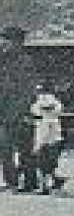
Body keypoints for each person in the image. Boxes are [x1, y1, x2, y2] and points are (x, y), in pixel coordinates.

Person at [0, 27, 38, 191]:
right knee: (5, 148)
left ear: (17, 43)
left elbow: (27, 90)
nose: (3, 43)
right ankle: (12, 181)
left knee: (25, 149)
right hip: (4, 111)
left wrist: (22, 111)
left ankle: (29, 182)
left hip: (20, 112)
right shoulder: (3, 60)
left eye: (7, 40)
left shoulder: (25, 62)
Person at [27, 81, 67, 195]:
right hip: (55, 139)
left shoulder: (41, 105)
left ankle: (45, 186)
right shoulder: (54, 104)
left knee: (42, 164)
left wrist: (37, 146)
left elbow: (42, 130)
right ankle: (54, 181)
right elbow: (59, 110)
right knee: (49, 164)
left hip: (46, 140)